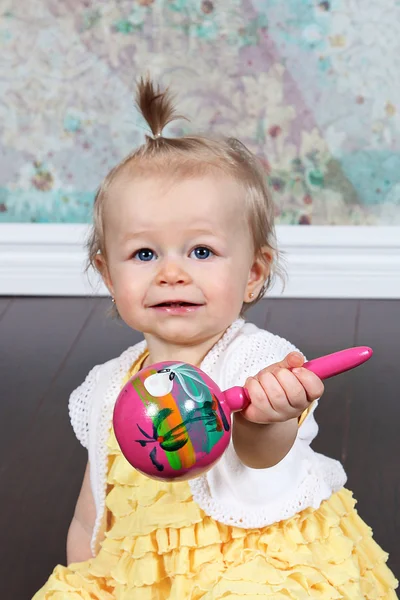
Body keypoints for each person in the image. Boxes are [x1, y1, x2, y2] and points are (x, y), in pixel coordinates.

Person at [33, 78, 398, 599]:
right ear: (109, 277)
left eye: (200, 251)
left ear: (253, 272)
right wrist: (88, 574)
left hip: (254, 561)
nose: (172, 273)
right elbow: (93, 508)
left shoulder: (256, 360)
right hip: (151, 578)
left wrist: (267, 418)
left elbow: (264, 456)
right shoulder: (108, 387)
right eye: (144, 254)